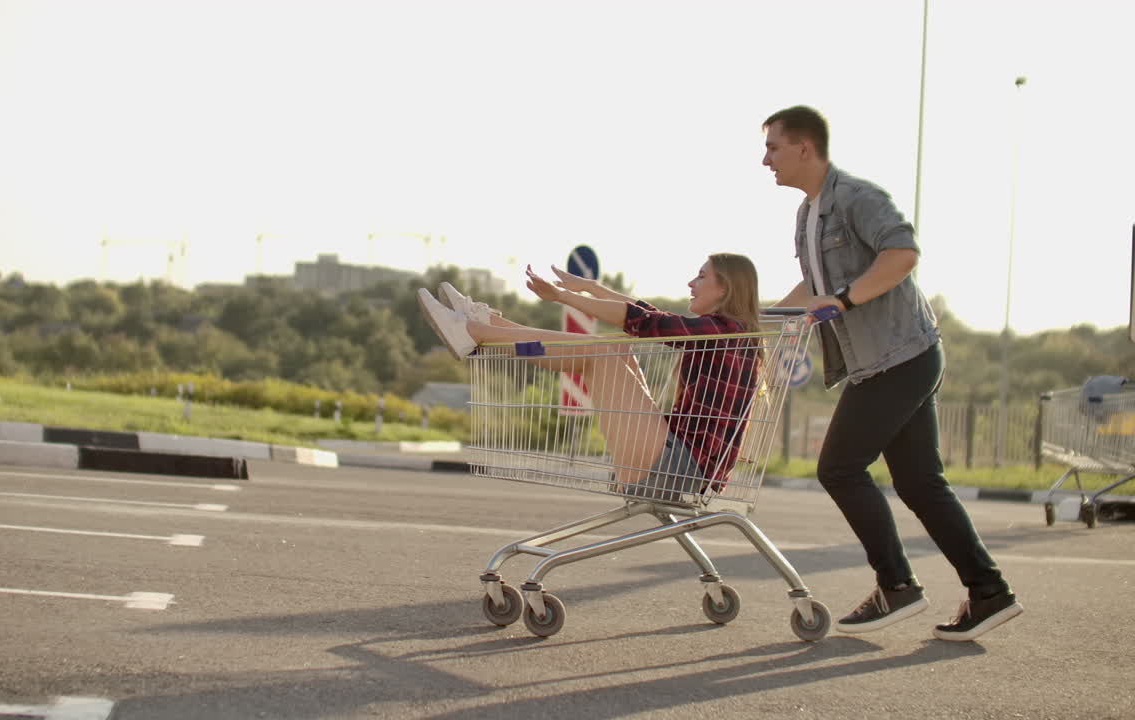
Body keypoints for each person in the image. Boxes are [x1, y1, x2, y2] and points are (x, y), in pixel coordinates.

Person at [761, 105, 1023, 641]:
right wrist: (758, 320)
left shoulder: (858, 197)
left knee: (839, 468)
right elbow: (812, 290)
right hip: (882, 360)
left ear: (805, 148)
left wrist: (846, 300)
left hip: (902, 355)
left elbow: (902, 253)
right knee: (921, 483)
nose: (765, 159)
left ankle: (897, 585)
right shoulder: (807, 215)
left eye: (773, 148)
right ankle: (989, 592)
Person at [416, 254, 761, 501]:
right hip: (675, 462)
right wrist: (592, 288)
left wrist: (565, 296)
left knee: (602, 354)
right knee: (615, 351)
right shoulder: (725, 331)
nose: (691, 282)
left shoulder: (726, 332)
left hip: (677, 470)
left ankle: (477, 329)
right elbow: (653, 316)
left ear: (724, 289)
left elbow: (648, 322)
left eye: (701, 276)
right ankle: (487, 326)